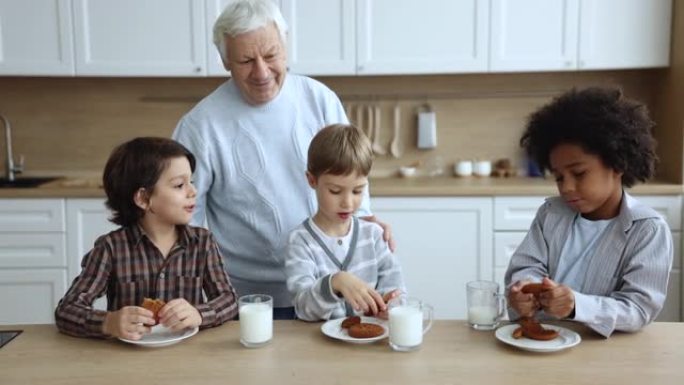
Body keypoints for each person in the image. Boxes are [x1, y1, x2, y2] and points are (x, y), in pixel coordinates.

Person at [172, 0, 392, 319]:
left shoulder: (320, 100)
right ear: (224, 61)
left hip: (329, 289)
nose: (261, 72)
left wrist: (366, 220)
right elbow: (184, 221)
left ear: (285, 45)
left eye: (271, 55)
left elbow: (352, 176)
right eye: (246, 60)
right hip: (248, 300)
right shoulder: (200, 126)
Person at [504, 87, 673, 338]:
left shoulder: (648, 229)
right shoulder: (551, 213)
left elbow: (638, 309)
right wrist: (524, 290)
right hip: (541, 341)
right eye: (559, 177)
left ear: (618, 164)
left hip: (600, 350)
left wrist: (576, 306)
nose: (567, 187)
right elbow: (526, 267)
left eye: (579, 173)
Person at [55, 137, 238, 340]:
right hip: (128, 359)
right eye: (179, 185)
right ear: (143, 198)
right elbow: (67, 310)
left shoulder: (202, 243)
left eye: (191, 182)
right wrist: (108, 322)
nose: (193, 191)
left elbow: (228, 300)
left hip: (189, 356)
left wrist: (199, 314)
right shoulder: (111, 248)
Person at [284, 124, 406, 321]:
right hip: (317, 348)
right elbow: (304, 308)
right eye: (335, 191)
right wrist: (335, 283)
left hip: (369, 345)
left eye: (358, 191)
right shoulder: (300, 241)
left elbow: (397, 292)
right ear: (312, 180)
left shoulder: (373, 236)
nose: (348, 203)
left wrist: (389, 306)